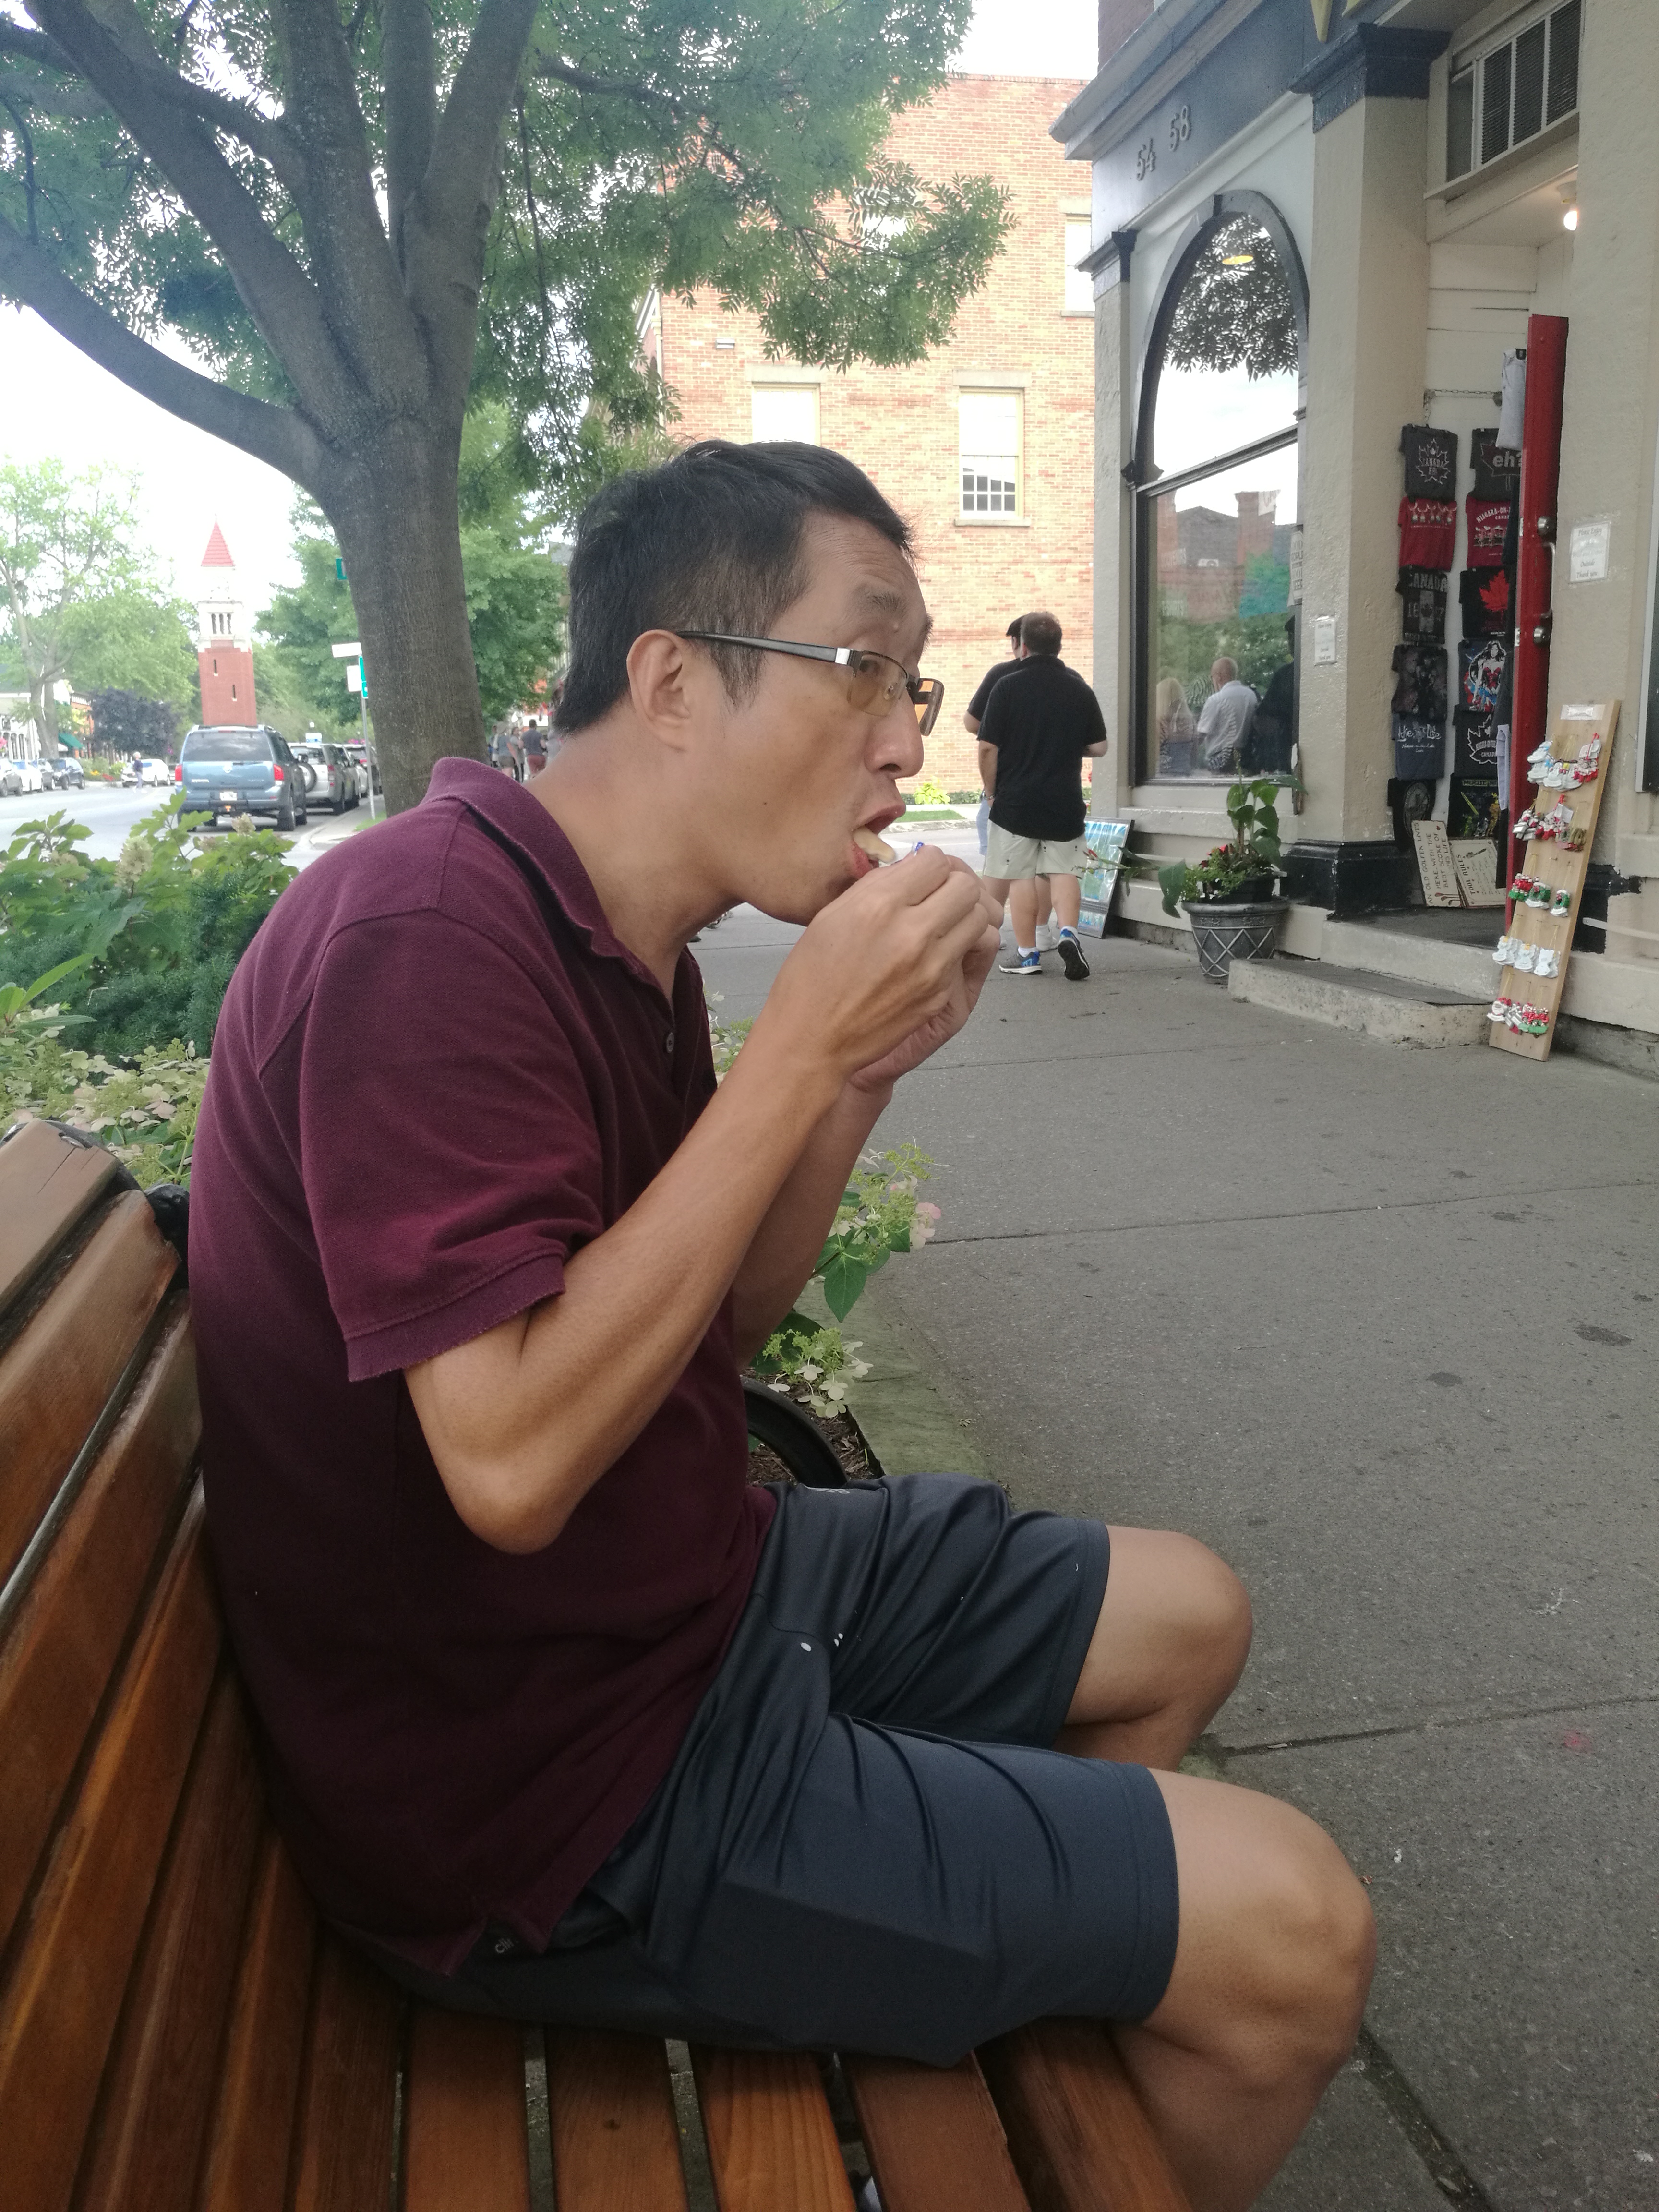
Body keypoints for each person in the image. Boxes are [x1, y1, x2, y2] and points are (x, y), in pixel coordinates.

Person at [190, 439, 1371, 2212]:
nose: (907, 742)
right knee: (1296, 1931)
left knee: (1189, 1610)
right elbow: (509, 1458)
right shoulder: (424, 934)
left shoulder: (617, 935)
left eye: (918, 687)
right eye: (867, 668)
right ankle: (989, 2000)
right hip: (548, 1790)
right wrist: (801, 1045)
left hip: (683, 1605)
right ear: (674, 681)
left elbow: (711, 1331)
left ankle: (981, 2011)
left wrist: (852, 1075)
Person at [978, 612, 1110, 982]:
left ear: (1023, 646)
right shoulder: (1078, 689)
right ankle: (1068, 932)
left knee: (1020, 875)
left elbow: (987, 748)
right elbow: (1100, 747)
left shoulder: (1007, 687)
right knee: (1065, 871)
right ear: (1059, 646)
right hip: (1065, 802)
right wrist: (1065, 745)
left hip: (1016, 803)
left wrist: (991, 792)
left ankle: (1028, 953)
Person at [965, 616, 1053, 945]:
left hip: (1008, 784)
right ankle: (1041, 932)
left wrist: (990, 792)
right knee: (1043, 863)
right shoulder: (1066, 679)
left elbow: (972, 724)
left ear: (1019, 643)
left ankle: (990, 931)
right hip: (1053, 787)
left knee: (1000, 861)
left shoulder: (1002, 676)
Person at [1243, 621, 1296, 776]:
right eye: (1290, 637)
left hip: (1287, 759)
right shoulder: (1286, 675)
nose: (1290, 642)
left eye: (1293, 637)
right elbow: (1264, 719)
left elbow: (1263, 720)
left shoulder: (1286, 675)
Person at [1195, 657, 1258, 775]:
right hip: (1247, 757)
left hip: (1221, 760)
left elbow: (1201, 734)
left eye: (1212, 677)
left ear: (1218, 676)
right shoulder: (1251, 696)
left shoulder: (1216, 700)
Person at [1155, 677, 1198, 778]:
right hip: (1185, 774)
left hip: (1162, 777)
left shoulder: (1160, 722)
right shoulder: (1190, 720)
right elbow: (1195, 754)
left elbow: (1153, 756)